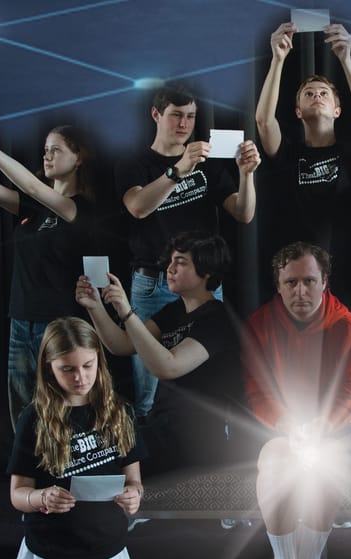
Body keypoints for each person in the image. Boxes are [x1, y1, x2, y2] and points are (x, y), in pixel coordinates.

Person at [0, 317, 144, 559]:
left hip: (105, 553)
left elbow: (135, 482)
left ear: (99, 361)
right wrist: (42, 497)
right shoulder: (35, 419)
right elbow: (17, 494)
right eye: (68, 369)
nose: (81, 377)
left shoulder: (119, 412)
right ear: (48, 368)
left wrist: (133, 497)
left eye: (88, 366)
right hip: (56, 554)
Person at [0, 114, 96, 430]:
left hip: (58, 324)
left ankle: (65, 477)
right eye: (45, 150)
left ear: (78, 157)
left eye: (55, 150)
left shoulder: (80, 208)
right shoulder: (34, 207)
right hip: (21, 320)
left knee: (61, 410)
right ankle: (30, 477)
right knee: (25, 412)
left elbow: (32, 186)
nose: (46, 156)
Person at [115, 84, 260, 421]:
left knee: (205, 378)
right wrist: (178, 169)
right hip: (153, 283)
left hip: (202, 284)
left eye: (190, 116)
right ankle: (152, 459)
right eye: (176, 115)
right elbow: (138, 207)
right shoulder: (134, 164)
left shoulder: (206, 165)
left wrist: (246, 174)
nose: (184, 124)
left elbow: (244, 212)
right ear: (156, 115)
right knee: (149, 385)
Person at [243, 242, 351, 559]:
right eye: (291, 282)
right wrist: (286, 425)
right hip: (279, 426)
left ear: (325, 281)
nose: (301, 292)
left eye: (310, 281)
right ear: (278, 285)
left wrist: (322, 426)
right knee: (277, 461)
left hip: (334, 427)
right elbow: (256, 391)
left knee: (328, 460)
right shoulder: (258, 325)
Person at [76, 231, 242, 476]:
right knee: (88, 450)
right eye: (171, 262)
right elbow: (121, 344)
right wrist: (95, 306)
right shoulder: (174, 310)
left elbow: (168, 366)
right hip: (164, 427)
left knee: (106, 457)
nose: (170, 269)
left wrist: (126, 312)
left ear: (206, 272)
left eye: (181, 263)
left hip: (198, 437)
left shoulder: (218, 319)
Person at [254, 20, 351, 310]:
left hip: (347, 272)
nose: (317, 96)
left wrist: (345, 58)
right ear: (298, 111)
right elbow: (263, 121)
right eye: (309, 94)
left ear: (337, 110)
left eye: (324, 93)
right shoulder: (288, 153)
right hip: (299, 277)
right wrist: (278, 58)